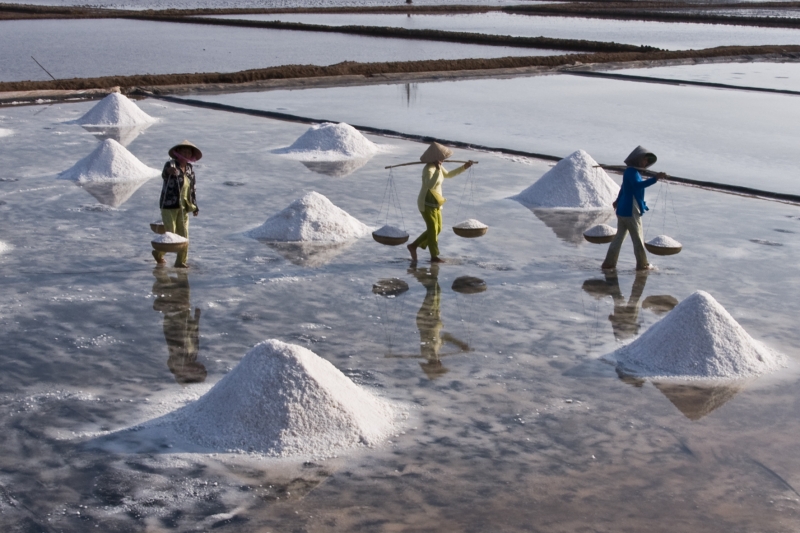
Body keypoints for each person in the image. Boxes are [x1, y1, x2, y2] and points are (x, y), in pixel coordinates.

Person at [601, 146, 666, 271]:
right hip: (630, 210)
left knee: (619, 238)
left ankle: (609, 263)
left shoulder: (630, 172)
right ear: (638, 159)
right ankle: (642, 264)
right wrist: (655, 179)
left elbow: (623, 188)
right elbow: (637, 186)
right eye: (644, 160)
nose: (646, 163)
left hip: (622, 210)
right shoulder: (632, 172)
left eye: (647, 161)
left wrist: (617, 201)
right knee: (638, 238)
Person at [407, 142, 473, 263]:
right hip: (426, 203)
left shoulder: (438, 166)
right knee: (432, 229)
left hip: (436, 202)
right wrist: (437, 170)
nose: (443, 159)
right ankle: (434, 256)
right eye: (441, 157)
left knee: (438, 229)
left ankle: (413, 246)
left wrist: (464, 167)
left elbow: (449, 175)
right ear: (435, 158)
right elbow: (430, 185)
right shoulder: (428, 169)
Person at [153, 140, 201, 268]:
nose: (186, 153)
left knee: (184, 235)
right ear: (177, 152)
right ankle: (158, 253)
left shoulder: (190, 168)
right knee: (171, 234)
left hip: (184, 207)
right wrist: (169, 171)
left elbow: (192, 188)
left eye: (189, 151)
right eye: (183, 150)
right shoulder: (171, 164)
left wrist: (195, 206)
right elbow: (164, 174)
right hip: (169, 205)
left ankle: (181, 261)